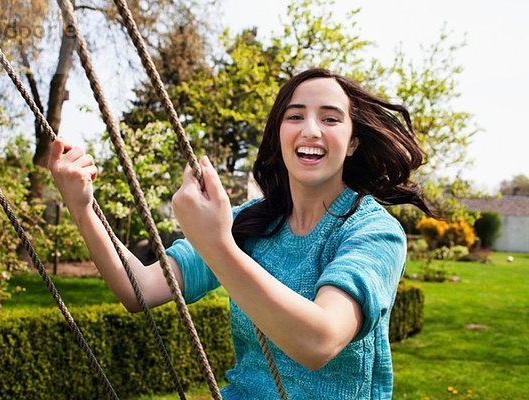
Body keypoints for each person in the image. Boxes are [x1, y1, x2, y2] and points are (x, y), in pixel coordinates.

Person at [48, 68, 435, 399]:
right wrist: (82, 207)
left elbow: (320, 341)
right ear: (279, 133)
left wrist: (217, 243)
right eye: (295, 116)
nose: (311, 130)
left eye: (331, 119)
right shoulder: (250, 221)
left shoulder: (373, 232)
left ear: (352, 142)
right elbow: (141, 289)